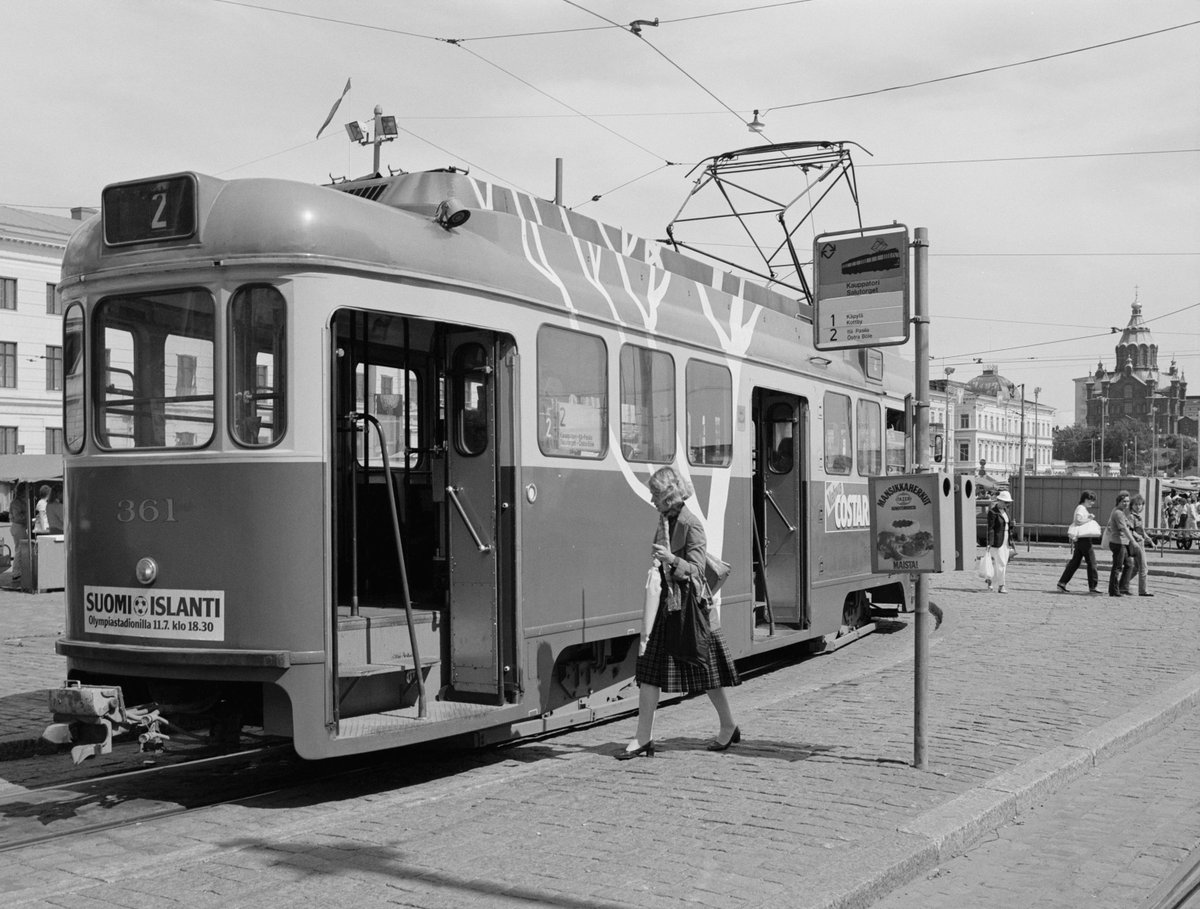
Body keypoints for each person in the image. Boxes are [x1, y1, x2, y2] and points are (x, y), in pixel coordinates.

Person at [618, 466, 740, 759]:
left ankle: (728, 725)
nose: (651, 498)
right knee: (649, 671)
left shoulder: (692, 524)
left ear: (668, 495)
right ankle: (643, 738)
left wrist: (671, 559)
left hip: (691, 612)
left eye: (655, 494)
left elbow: (697, 573)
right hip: (668, 607)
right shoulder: (665, 520)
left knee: (707, 674)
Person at [1057, 490, 1100, 594]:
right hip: (1084, 539)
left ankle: (1062, 583)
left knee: (1075, 562)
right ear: (1086, 499)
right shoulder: (1081, 508)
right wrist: (1089, 519)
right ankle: (1093, 586)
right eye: (1091, 500)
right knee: (1092, 562)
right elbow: (1078, 521)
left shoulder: (1080, 508)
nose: (1092, 503)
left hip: (1080, 539)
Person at [1105, 490, 1135, 597]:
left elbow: (1128, 526)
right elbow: (1124, 528)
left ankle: (1123, 587)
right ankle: (1113, 591)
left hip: (1122, 543)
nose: (1126, 503)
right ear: (1119, 501)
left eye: (1127, 501)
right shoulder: (1118, 513)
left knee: (1129, 564)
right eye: (1124, 501)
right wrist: (1133, 541)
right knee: (1117, 567)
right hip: (1118, 543)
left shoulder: (1120, 512)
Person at [985, 490, 1015, 594]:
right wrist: (990, 542)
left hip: (1006, 540)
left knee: (1001, 563)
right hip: (997, 540)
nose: (1007, 504)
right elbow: (991, 528)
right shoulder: (993, 512)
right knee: (1001, 563)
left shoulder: (1005, 511)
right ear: (1000, 501)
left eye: (1008, 503)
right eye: (1006, 502)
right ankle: (1001, 585)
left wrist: (1012, 524)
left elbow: (1007, 525)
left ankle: (991, 582)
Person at [1126, 493, 1152, 597]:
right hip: (1136, 544)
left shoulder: (1138, 517)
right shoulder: (1131, 517)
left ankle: (1122, 584)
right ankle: (1143, 590)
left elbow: (1141, 530)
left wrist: (1149, 539)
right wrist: (1140, 537)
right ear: (1132, 505)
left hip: (1139, 543)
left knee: (1136, 568)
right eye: (1136, 504)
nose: (1138, 506)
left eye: (1140, 504)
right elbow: (1130, 531)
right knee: (1143, 568)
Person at [9, 483, 28, 585]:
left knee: (20, 549)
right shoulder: (17, 503)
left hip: (18, 527)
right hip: (18, 526)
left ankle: (19, 571)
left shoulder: (18, 502)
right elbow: (17, 517)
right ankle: (16, 573)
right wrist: (28, 518)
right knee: (19, 550)